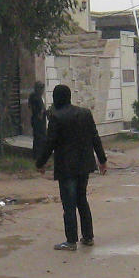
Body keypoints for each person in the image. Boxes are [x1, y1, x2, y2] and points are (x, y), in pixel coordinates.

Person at [35, 84, 108, 251]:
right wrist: (102, 160)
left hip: (66, 167)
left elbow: (49, 143)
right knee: (82, 200)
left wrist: (41, 163)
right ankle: (88, 237)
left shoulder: (56, 117)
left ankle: (71, 241)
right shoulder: (85, 113)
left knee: (69, 203)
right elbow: (95, 138)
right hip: (84, 165)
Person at [28, 81, 47, 162]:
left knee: (37, 138)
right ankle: (39, 155)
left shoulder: (32, 96)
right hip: (39, 120)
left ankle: (37, 155)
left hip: (35, 119)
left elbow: (30, 107)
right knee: (40, 138)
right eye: (42, 89)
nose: (43, 91)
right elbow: (41, 110)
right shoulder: (37, 97)